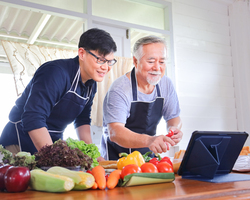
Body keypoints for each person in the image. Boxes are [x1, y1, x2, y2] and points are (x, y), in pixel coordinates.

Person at [0, 28, 117, 156]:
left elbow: (82, 120)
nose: (105, 67)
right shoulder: (56, 72)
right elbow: (33, 117)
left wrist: (95, 156)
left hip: (51, 143)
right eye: (100, 60)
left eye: (110, 61)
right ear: (82, 54)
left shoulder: (91, 84)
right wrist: (53, 158)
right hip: (20, 143)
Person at [100, 35, 182, 160]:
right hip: (117, 159)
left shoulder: (166, 84)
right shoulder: (119, 88)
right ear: (135, 61)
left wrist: (174, 129)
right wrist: (150, 140)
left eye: (162, 62)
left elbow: (174, 117)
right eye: (151, 61)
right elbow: (115, 132)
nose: (157, 68)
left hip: (148, 157)